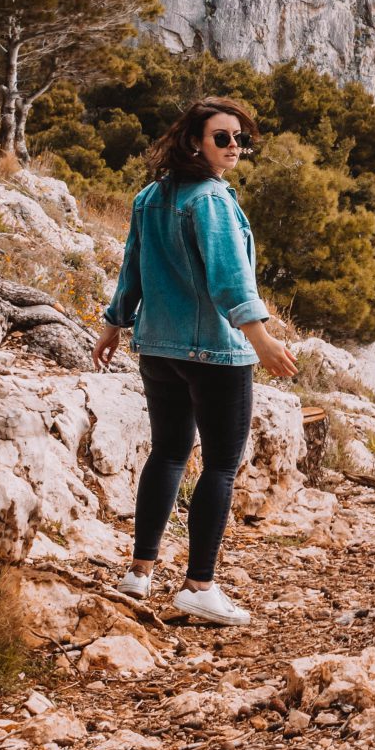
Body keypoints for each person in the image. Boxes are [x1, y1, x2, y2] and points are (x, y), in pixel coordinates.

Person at [92, 96, 298, 625]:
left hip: (158, 348)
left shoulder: (149, 197)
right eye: (222, 138)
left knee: (167, 454)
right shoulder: (212, 201)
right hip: (216, 352)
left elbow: (132, 266)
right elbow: (230, 280)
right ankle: (199, 586)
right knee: (222, 466)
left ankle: (138, 573)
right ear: (193, 142)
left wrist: (116, 323)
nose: (235, 148)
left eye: (240, 139)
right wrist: (263, 341)